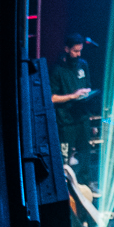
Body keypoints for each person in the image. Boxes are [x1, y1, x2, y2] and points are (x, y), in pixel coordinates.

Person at [47, 31, 96, 166]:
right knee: (65, 157)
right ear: (67, 49)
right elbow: (51, 98)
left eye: (80, 51)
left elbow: (88, 86)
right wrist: (72, 96)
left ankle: (85, 178)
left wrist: (87, 93)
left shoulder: (83, 65)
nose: (78, 54)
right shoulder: (57, 70)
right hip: (66, 121)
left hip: (82, 118)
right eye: (75, 51)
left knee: (85, 155)